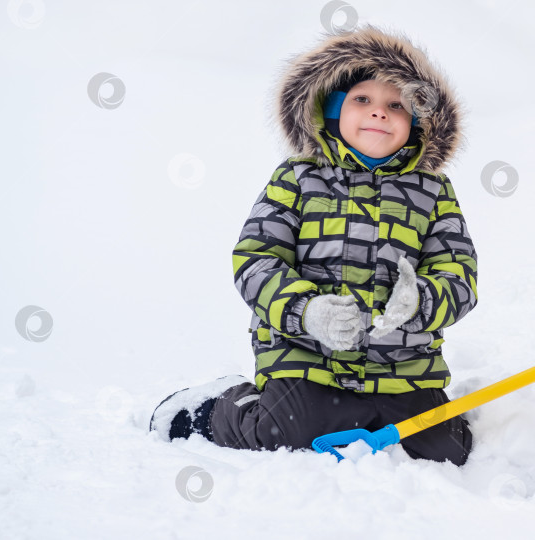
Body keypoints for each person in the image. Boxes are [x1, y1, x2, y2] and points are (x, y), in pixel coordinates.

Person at [149, 24, 478, 466]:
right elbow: (256, 260)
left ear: (419, 121)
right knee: (288, 431)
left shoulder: (433, 191)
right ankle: (216, 408)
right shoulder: (298, 177)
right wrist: (307, 312)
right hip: (306, 355)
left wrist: (422, 301)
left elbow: (460, 272)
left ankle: (377, 413)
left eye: (395, 105)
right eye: (362, 100)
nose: (379, 113)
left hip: (402, 365)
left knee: (446, 450)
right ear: (330, 108)